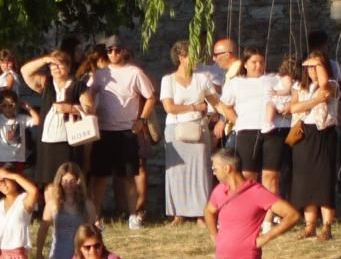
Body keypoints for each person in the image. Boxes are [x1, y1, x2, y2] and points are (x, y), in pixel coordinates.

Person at [90, 35, 158, 226]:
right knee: (100, 177)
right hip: (104, 130)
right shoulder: (100, 74)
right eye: (109, 50)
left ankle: (133, 215)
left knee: (127, 175)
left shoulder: (134, 72)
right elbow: (88, 93)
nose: (113, 53)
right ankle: (95, 217)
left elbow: (151, 97)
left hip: (126, 131)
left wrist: (142, 120)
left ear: (123, 51)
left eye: (117, 50)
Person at [160, 40, 218, 223]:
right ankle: (179, 213)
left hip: (197, 129)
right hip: (175, 129)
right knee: (177, 172)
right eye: (190, 55)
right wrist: (195, 106)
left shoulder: (202, 78)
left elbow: (214, 102)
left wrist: (221, 115)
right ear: (180, 57)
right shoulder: (168, 80)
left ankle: (201, 213)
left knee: (200, 169)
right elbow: (169, 107)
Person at [287, 51, 341, 240]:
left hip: (323, 133)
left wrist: (319, 65)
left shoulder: (332, 84)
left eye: (316, 66)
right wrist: (316, 100)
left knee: (323, 179)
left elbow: (326, 88)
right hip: (303, 133)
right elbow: (294, 107)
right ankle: (309, 225)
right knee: (305, 180)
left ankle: (326, 225)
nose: (312, 70)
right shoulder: (299, 86)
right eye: (309, 66)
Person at [20, 49, 94, 186]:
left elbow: (90, 109)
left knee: (69, 178)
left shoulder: (79, 86)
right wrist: (45, 60)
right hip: (48, 140)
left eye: (60, 64)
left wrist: (71, 108)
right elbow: (25, 71)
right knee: (49, 181)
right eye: (53, 65)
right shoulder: (46, 83)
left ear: (68, 66)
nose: (56, 68)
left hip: (70, 140)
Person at [36, 162, 99, 259]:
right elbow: (43, 229)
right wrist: (39, 253)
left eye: (71, 181)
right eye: (64, 181)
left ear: (78, 181)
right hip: (59, 254)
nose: (68, 185)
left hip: (80, 254)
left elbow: (92, 231)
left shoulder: (87, 204)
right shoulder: (52, 204)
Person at [217, 47, 271, 181]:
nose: (258, 66)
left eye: (261, 62)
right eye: (254, 62)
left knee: (269, 175)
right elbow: (225, 105)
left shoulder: (272, 81)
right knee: (248, 174)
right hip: (247, 132)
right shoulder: (237, 83)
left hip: (269, 131)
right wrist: (237, 120)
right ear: (245, 64)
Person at [259, 56, 298, 195]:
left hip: (283, 104)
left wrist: (276, 93)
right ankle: (268, 122)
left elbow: (287, 90)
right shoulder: (279, 78)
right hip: (282, 107)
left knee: (271, 105)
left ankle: (268, 122)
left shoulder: (287, 79)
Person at [0, 89, 40, 172]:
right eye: (4, 106)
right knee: (3, 182)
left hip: (18, 158)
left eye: (11, 105)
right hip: (2, 157)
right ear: (1, 106)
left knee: (16, 180)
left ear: (16, 105)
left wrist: (29, 108)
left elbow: (37, 121)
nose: (8, 109)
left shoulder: (21, 118)